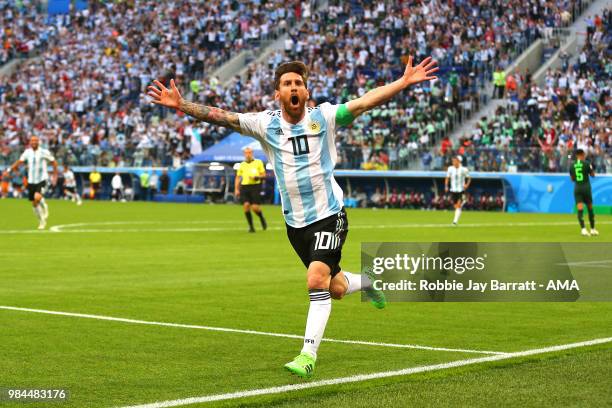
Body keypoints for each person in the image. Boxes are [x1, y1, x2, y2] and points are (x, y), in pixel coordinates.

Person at [147, 56, 439, 378]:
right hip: (295, 225)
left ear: (307, 91)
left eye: (298, 83)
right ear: (278, 93)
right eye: (287, 84)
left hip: (329, 215)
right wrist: (181, 104)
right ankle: (368, 282)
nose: (293, 87)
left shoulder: (324, 117)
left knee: (316, 280)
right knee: (336, 288)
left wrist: (402, 82)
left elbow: (364, 102)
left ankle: (307, 355)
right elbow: (222, 117)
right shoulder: (266, 124)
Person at [4, 136, 58, 229]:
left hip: (42, 179)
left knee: (37, 197)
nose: (33, 142)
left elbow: (54, 162)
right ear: (30, 142)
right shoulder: (27, 152)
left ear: (38, 142)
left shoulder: (44, 152)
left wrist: (55, 175)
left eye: (35, 141)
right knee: (34, 203)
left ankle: (43, 217)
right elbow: (19, 162)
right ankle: (42, 218)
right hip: (31, 181)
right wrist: (9, 170)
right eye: (32, 141)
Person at [234, 147, 267, 232]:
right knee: (246, 206)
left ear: (252, 153)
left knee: (255, 208)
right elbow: (238, 177)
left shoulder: (258, 162)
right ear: (244, 154)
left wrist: (257, 177)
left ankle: (261, 216)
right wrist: (236, 189)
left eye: (249, 152)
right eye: (246, 153)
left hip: (255, 186)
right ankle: (251, 227)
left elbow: (264, 175)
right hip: (244, 186)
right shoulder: (242, 164)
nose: (248, 154)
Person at [570, 149, 598, 236]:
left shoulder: (572, 165)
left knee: (580, 209)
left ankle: (583, 229)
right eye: (584, 154)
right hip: (586, 188)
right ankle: (593, 229)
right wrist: (592, 168)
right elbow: (593, 175)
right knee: (590, 208)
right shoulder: (586, 163)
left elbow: (572, 179)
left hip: (577, 188)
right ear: (581, 155)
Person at [445, 156, 471, 226]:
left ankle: (454, 222)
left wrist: (466, 185)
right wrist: (446, 186)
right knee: (456, 206)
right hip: (453, 190)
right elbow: (447, 178)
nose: (453, 162)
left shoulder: (464, 169)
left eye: (455, 161)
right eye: (453, 161)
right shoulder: (450, 169)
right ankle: (464, 201)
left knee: (458, 206)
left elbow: (469, 178)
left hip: (461, 190)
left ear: (459, 161)